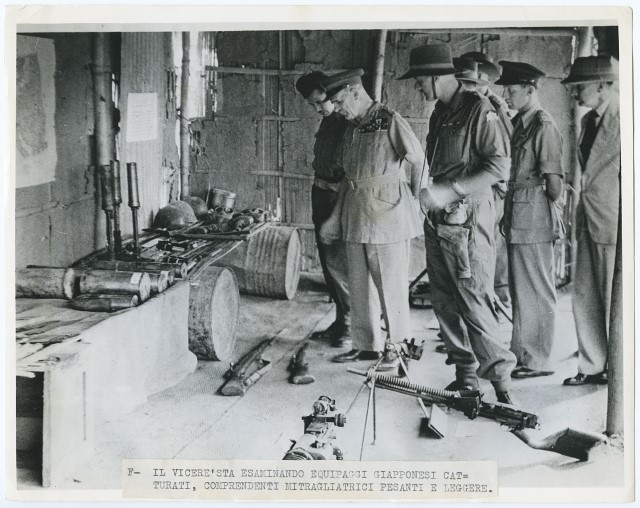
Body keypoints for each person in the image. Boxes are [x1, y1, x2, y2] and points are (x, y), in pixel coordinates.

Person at [399, 44, 517, 403]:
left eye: (420, 80)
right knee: (444, 300)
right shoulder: (440, 112)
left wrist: (447, 192)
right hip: (440, 218)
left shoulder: (480, 110)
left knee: (474, 298)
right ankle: (466, 377)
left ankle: (503, 387)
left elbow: (498, 167)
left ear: (436, 77)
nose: (417, 87)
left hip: (466, 219)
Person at [318, 69, 424, 370]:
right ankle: (366, 346)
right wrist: (334, 219)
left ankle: (398, 349)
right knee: (360, 287)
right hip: (355, 215)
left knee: (391, 288)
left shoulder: (390, 120)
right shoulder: (351, 129)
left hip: (387, 217)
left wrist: (416, 200)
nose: (337, 108)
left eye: (340, 102)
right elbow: (349, 179)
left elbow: (417, 159)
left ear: (355, 91)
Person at [495, 61, 564, 378]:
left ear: (529, 90)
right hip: (520, 215)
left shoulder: (543, 126)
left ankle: (538, 360)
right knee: (522, 290)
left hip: (534, 217)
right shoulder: (522, 124)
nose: (506, 96)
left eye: (511, 90)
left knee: (537, 289)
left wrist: (534, 205)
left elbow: (554, 185)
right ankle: (523, 353)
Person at [562, 55, 619, 386]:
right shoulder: (587, 122)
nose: (575, 94)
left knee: (614, 298)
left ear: (601, 85)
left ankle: (619, 367)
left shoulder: (627, 117)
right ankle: (593, 364)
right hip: (589, 217)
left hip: (614, 221)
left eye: (580, 87)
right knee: (585, 295)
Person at [295, 72, 351, 348]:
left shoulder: (348, 123)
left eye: (321, 101)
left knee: (340, 262)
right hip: (321, 194)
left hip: (337, 196)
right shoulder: (328, 121)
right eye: (313, 105)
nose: (318, 108)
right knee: (329, 263)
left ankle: (349, 325)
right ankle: (341, 320)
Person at [460, 52, 514, 315]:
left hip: (493, 188)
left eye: (473, 78)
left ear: (482, 78)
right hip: (477, 186)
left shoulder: (494, 107)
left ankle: (498, 306)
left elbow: (505, 149)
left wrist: (500, 183)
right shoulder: (470, 105)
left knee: (491, 249)